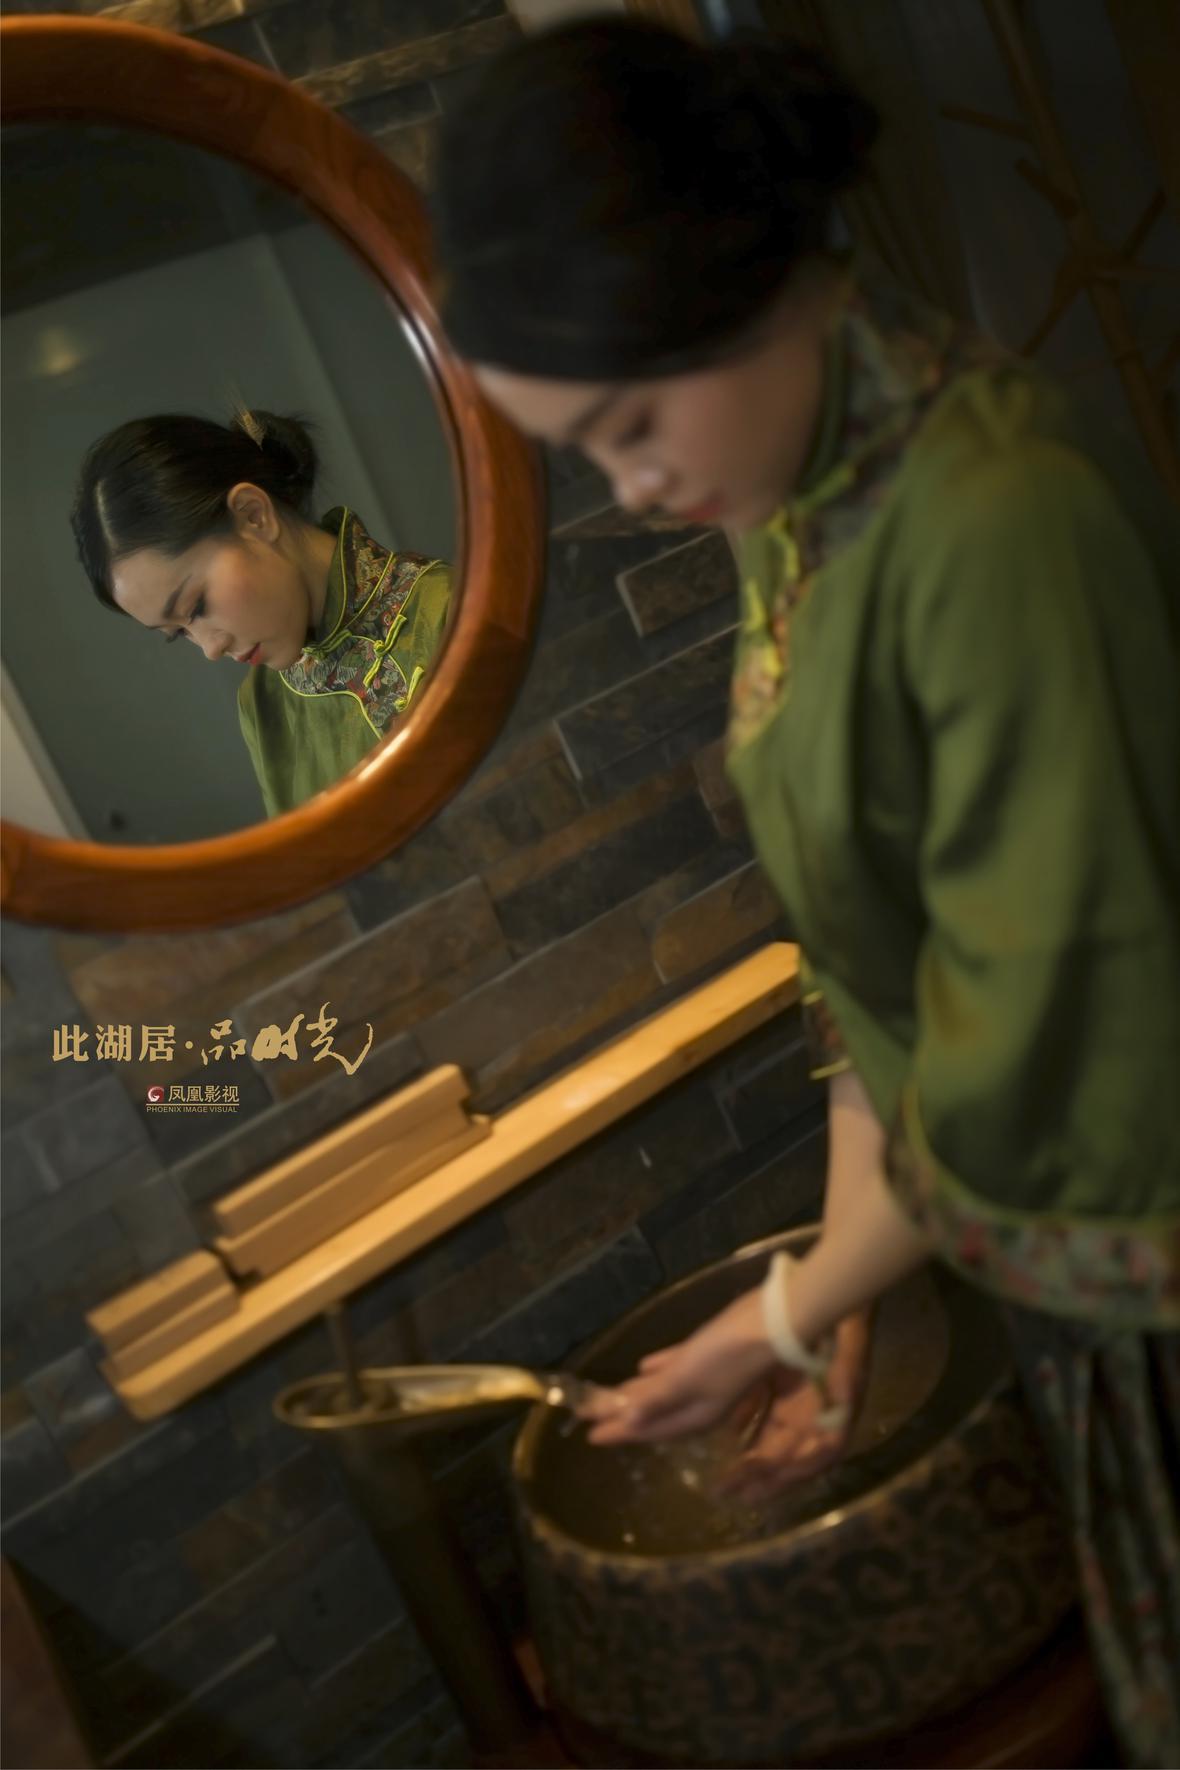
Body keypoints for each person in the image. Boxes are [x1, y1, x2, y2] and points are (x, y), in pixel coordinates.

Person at [431, 18, 1180, 1763]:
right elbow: (865, 951)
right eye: (586, 452)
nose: (634, 487)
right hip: (1050, 1259)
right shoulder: (795, 503)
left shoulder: (991, 519)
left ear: (742, 276)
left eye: (629, 424)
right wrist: (838, 1303)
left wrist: (795, 1306)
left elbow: (1040, 1032)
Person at [71, 409, 452, 816]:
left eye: (196, 606)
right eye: (179, 633)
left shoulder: (449, 613)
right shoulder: (262, 704)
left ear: (254, 515)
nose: (210, 649)